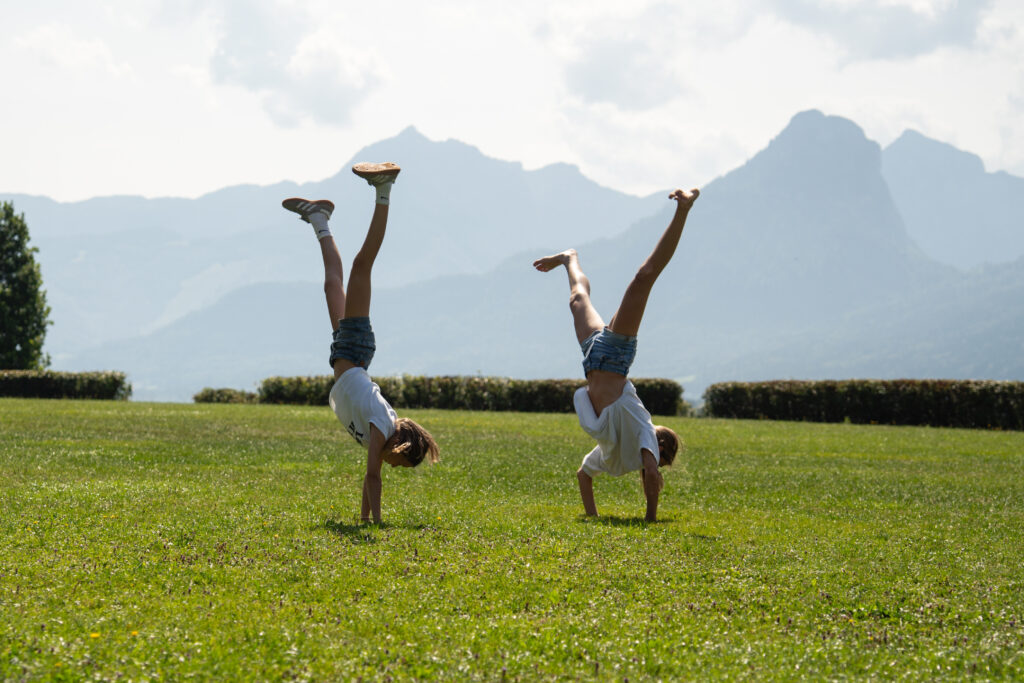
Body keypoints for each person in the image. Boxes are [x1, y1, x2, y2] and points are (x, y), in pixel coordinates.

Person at [282, 162, 439, 524]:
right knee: (362, 266)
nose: (393, 467)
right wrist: (375, 523)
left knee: (332, 285)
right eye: (400, 464)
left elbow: (370, 478)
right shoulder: (383, 427)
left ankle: (319, 218)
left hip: (346, 352)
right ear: (401, 447)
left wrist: (366, 518)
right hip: (354, 349)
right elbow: (372, 477)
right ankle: (384, 190)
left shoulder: (380, 434)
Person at [533, 188, 699, 522]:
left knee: (577, 299)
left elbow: (583, 474)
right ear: (658, 448)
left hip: (592, 357)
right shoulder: (644, 430)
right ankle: (684, 208)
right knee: (643, 278)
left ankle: (569, 258)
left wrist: (593, 517)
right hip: (616, 355)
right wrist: (650, 518)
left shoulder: (613, 454)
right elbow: (650, 472)